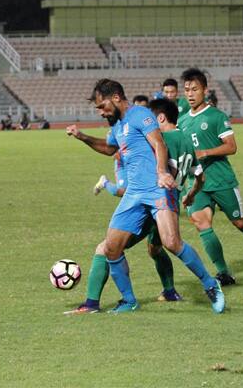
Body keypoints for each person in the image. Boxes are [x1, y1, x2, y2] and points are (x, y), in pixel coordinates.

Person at [65, 78, 224, 314]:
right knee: (111, 247)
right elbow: (109, 149)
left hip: (156, 188)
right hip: (134, 194)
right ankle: (129, 301)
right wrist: (83, 137)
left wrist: (161, 172)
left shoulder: (140, 114)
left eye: (102, 106)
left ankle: (211, 285)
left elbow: (159, 144)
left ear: (116, 98)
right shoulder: (117, 126)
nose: (100, 112)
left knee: (171, 242)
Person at [178, 68, 243, 284]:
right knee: (202, 225)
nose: (190, 94)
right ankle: (223, 272)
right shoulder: (181, 121)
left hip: (221, 180)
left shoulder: (216, 116)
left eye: (195, 89)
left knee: (239, 222)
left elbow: (231, 146)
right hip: (197, 184)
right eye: (187, 90)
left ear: (205, 90)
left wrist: (206, 152)